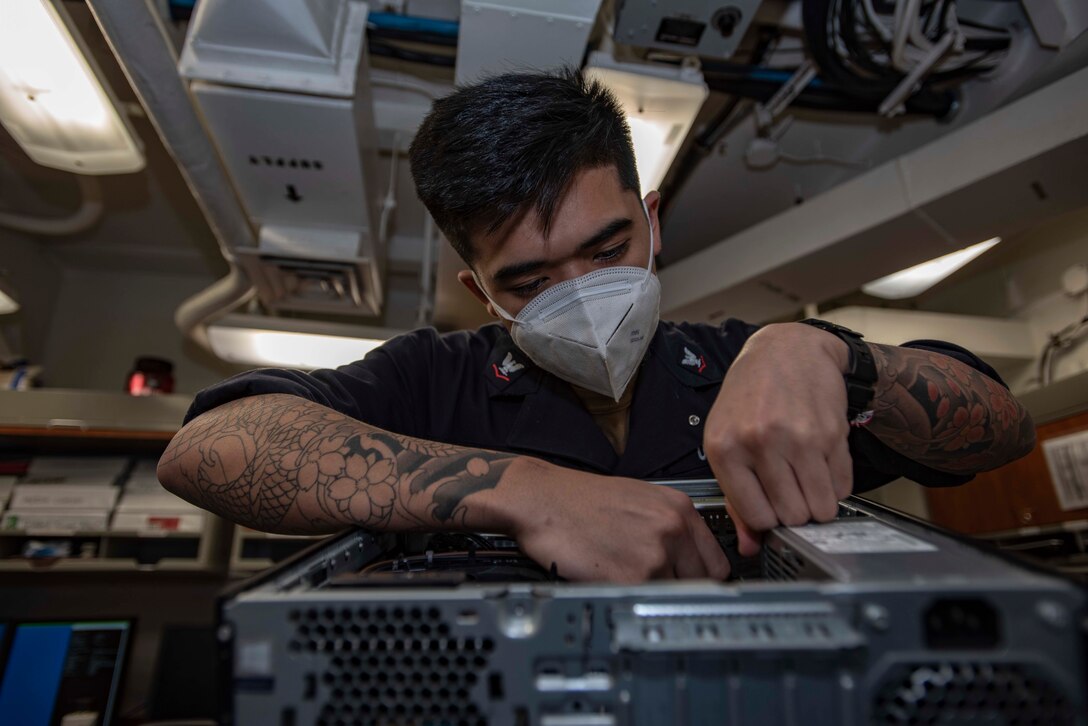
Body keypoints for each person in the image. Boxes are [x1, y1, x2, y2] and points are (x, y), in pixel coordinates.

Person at [157, 69, 1035, 582]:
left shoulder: (744, 363)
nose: (582, 293)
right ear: (479, 289)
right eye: (530, 280)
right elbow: (207, 450)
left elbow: (1000, 428)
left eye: (609, 247)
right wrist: (522, 492)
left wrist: (828, 352)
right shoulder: (434, 381)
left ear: (651, 217)